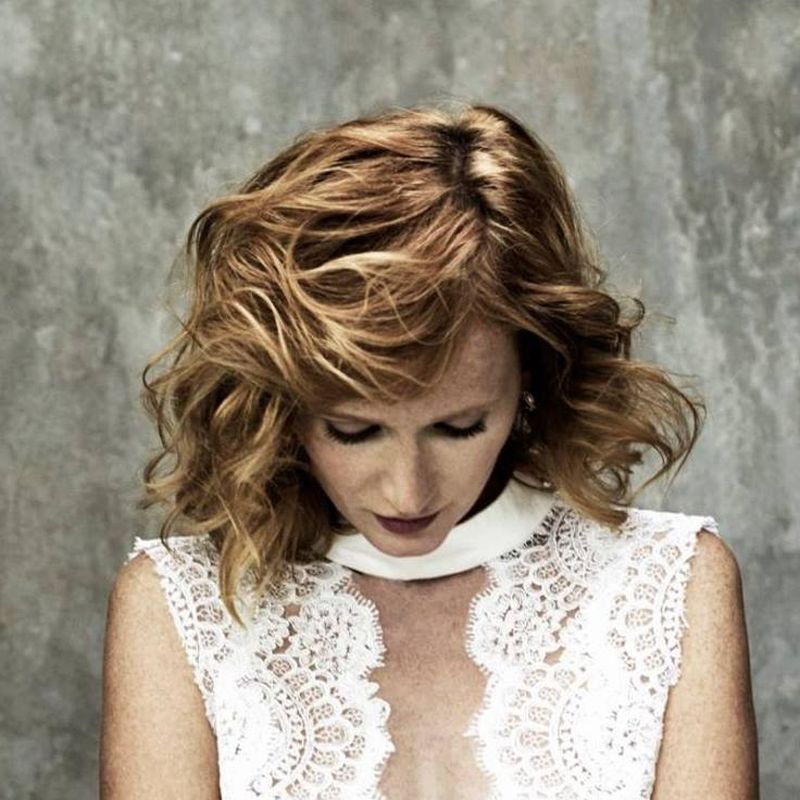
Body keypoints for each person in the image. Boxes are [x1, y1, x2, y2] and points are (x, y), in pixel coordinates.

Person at [99, 103, 759, 799]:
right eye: (354, 431)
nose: (408, 492)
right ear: (281, 403)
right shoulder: (181, 606)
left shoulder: (670, 585)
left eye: (460, 427)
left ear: (533, 376)